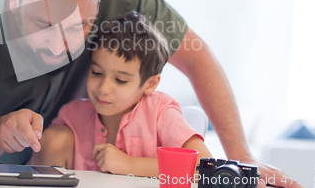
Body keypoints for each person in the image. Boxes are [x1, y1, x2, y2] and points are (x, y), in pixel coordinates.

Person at [0, 0, 301, 188]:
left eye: (79, 27)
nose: (59, 47)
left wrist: (241, 155)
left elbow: (197, 58)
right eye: (41, 25)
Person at [31, 11, 212, 177]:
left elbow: (204, 167)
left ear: (150, 84)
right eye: (97, 73)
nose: (103, 89)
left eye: (120, 80)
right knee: (53, 138)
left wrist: (131, 165)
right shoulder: (72, 116)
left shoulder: (160, 113)